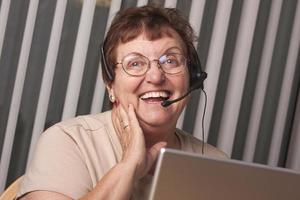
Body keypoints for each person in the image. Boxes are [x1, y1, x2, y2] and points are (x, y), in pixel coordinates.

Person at [16, 5, 228, 200]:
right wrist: (128, 166)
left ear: (192, 77)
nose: (155, 77)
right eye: (135, 63)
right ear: (110, 84)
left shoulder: (218, 164)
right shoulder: (69, 141)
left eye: (170, 60)